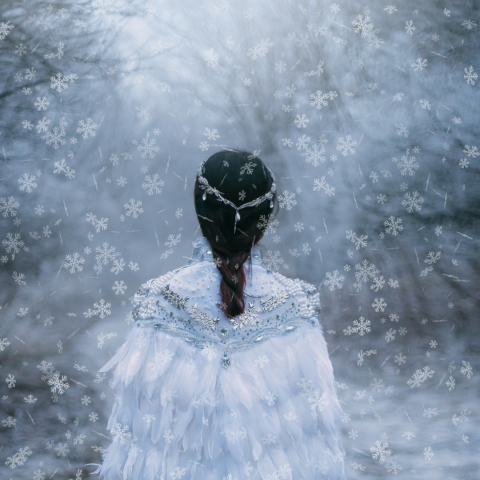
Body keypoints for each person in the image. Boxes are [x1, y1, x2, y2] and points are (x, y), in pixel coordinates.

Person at [91, 150, 347, 480]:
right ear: (265, 220)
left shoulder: (160, 301)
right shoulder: (295, 306)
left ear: (201, 213)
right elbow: (316, 451)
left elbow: (137, 449)